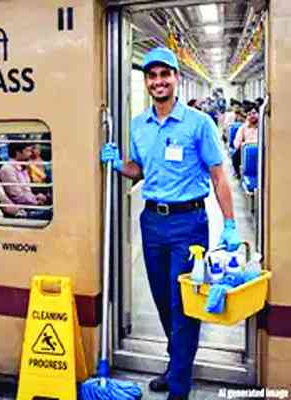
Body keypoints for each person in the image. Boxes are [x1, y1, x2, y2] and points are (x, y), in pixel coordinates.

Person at [100, 47, 241, 400]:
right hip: (152, 222)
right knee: (163, 300)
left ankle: (179, 386)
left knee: (183, 306)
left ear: (176, 78)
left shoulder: (199, 123)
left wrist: (229, 223)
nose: (158, 81)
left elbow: (218, 176)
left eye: (165, 74)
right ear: (147, 81)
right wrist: (119, 165)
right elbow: (140, 170)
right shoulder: (138, 125)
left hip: (188, 224)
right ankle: (175, 364)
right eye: (152, 75)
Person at [0, 141, 48, 206]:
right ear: (18, 152)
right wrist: (36, 201)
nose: (30, 154)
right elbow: (17, 197)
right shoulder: (8, 169)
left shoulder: (22, 167)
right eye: (27, 151)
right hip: (22, 207)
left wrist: (36, 196)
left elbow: (26, 191)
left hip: (29, 202)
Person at [232, 105, 259, 178]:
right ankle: (238, 174)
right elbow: (237, 143)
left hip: (261, 150)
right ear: (247, 116)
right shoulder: (243, 128)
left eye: (254, 113)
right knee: (235, 156)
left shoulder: (264, 127)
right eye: (249, 114)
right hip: (247, 152)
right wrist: (244, 144)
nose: (252, 116)